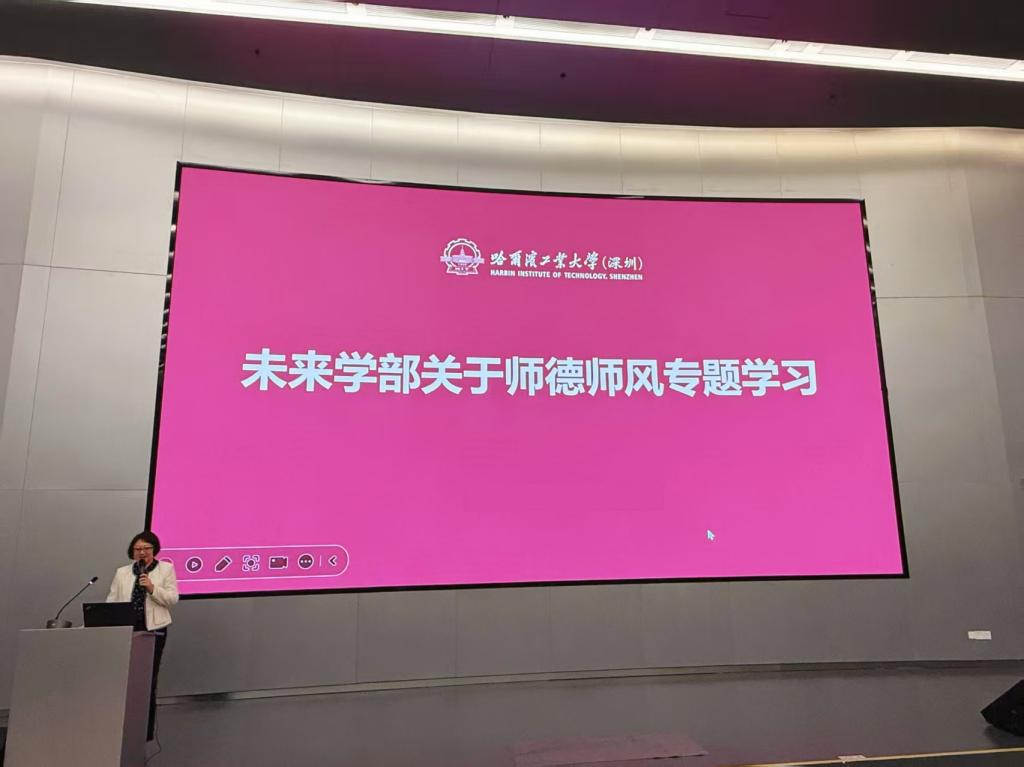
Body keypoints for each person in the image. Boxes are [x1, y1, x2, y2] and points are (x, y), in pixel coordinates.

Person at [106, 531, 179, 742]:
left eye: (147, 548)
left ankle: (144, 731)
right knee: (124, 678)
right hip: (126, 630)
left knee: (148, 679)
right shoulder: (122, 572)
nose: (142, 552)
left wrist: (152, 588)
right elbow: (112, 600)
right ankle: (121, 726)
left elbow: (172, 599)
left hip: (153, 630)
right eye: (138, 549)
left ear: (154, 550)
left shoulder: (165, 569)